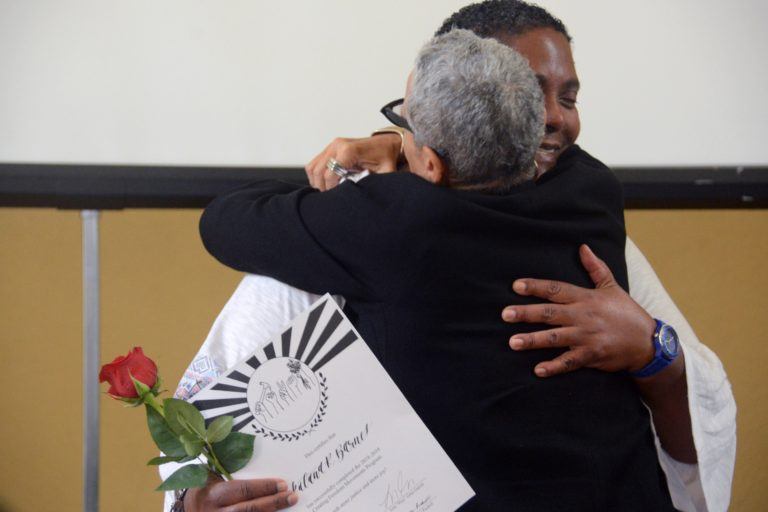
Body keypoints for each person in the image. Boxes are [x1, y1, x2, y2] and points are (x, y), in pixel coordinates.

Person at [166, 2, 735, 511]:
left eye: (568, 96)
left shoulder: (374, 222)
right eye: (526, 93)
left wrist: (654, 350)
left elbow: (229, 222)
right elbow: (208, 440)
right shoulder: (596, 197)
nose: (554, 118)